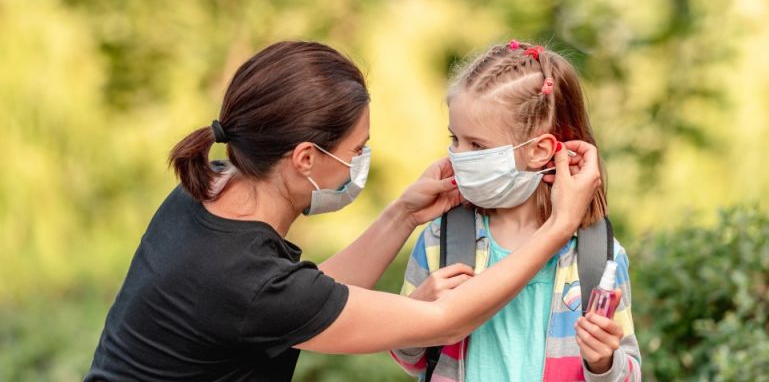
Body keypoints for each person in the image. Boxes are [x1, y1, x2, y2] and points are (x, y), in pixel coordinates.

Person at [84, 40, 602, 382]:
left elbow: (306, 301)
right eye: (356, 151)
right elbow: (442, 322)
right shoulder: (246, 279)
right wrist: (558, 226)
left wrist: (402, 213)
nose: (360, 164)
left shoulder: (209, 188)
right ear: (306, 157)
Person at [390, 40, 642, 381]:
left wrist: (603, 362)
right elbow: (412, 361)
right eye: (455, 139)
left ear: (539, 151)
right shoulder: (442, 239)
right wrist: (416, 311)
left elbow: (627, 372)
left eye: (477, 145)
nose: (457, 156)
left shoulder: (598, 257)